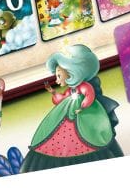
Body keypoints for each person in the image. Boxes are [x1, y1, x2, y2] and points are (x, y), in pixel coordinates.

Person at [21, 44, 123, 172]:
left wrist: (83, 106)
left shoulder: (83, 87)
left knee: (87, 135)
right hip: (68, 114)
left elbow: (89, 95)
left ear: (71, 72)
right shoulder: (70, 91)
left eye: (59, 75)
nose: (57, 80)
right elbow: (62, 98)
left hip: (84, 116)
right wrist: (53, 92)